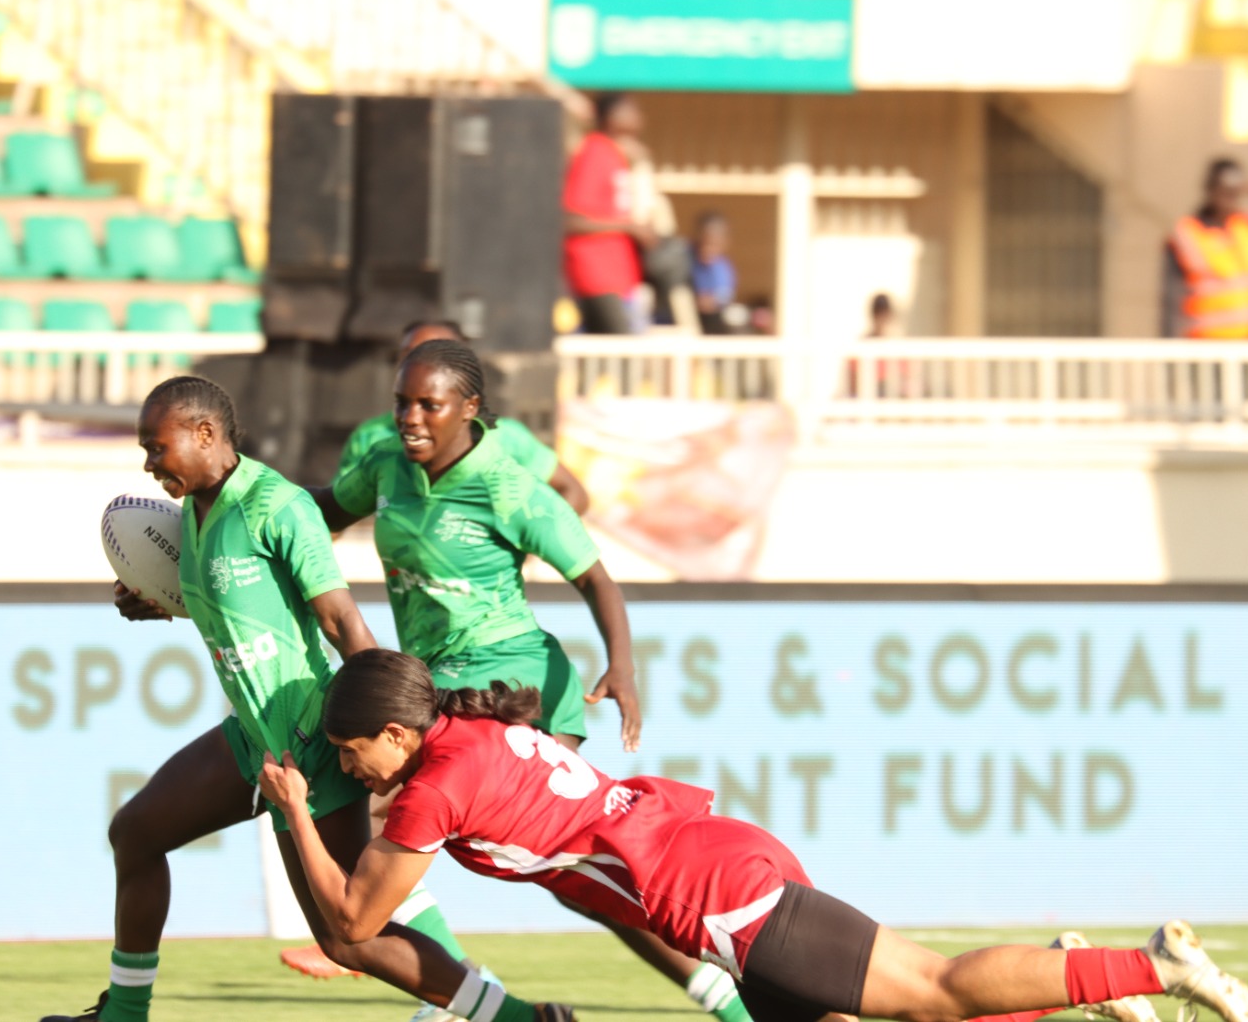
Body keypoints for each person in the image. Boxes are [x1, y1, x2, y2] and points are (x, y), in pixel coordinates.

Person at [261, 650, 1248, 1022]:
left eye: (353, 752)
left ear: (397, 732)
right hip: (709, 861)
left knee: (938, 992)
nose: (350, 769)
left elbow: (356, 920)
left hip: (711, 891)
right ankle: (1064, 979)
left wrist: (299, 809)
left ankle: (1158, 967)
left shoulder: (433, 786)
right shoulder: (469, 730)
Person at [39, 377, 571, 1022]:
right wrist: (160, 605)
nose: (148, 464)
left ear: (205, 434)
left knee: (348, 938)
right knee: (137, 833)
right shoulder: (193, 515)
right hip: (253, 741)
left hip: (314, 745)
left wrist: (396, 726)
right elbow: (243, 613)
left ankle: (519, 1019)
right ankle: (124, 1014)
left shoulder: (277, 506)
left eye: (157, 447)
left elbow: (343, 623)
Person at [309, 339, 758, 1022]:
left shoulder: (508, 483)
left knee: (386, 823)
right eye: (402, 401)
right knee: (575, 877)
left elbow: (595, 576)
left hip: (511, 678)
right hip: (438, 684)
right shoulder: (383, 466)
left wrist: (622, 667)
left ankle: (452, 987)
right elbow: (316, 515)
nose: (410, 417)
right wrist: (239, 505)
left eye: (429, 403)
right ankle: (722, 1003)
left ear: (471, 409)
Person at [335, 321, 589, 515]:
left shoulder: (506, 437)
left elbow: (573, 493)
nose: (418, 366)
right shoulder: (372, 437)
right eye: (408, 355)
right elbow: (338, 510)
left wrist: (530, 542)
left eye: (435, 356)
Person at [563, 93, 654, 334]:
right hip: (596, 271)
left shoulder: (617, 154)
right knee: (623, 355)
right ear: (612, 115)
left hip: (618, 274)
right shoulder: (595, 151)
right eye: (631, 109)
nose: (639, 116)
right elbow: (571, 219)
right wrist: (630, 227)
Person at [1163, 158, 1248, 339]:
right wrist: (1170, 350)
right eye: (1224, 191)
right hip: (1210, 352)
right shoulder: (1188, 234)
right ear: (1210, 190)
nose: (1229, 199)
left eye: (1234, 192)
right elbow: (1171, 302)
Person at [690, 213, 746, 336]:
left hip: (713, 320)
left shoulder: (722, 268)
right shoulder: (688, 259)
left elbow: (725, 295)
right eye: (705, 244)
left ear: (724, 244)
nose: (708, 249)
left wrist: (709, 301)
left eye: (714, 245)